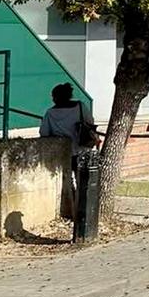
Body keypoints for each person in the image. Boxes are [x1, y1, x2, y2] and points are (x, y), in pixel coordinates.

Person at [39, 83, 99, 217]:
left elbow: (44, 133)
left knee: (68, 182)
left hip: (64, 153)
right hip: (82, 150)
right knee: (83, 182)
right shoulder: (80, 107)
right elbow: (90, 122)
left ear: (55, 97)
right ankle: (85, 211)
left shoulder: (50, 113)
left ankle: (72, 211)